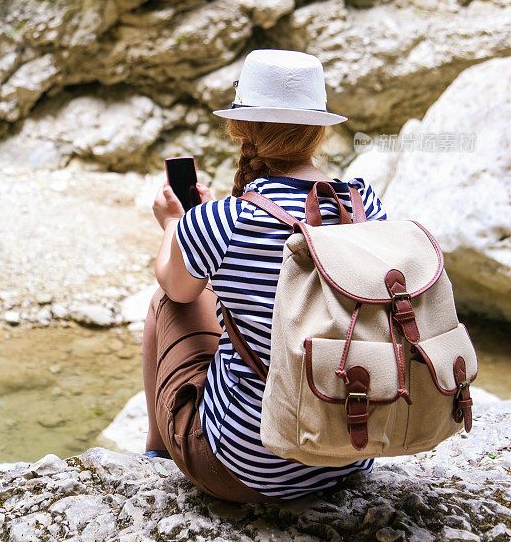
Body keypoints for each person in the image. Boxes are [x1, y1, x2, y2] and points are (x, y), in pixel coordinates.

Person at [142, 49, 387, 502]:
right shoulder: (362, 205)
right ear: (319, 130)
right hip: (349, 452)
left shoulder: (221, 219)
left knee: (167, 303)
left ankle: (159, 449)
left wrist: (178, 226)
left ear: (240, 128)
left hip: (247, 470)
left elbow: (174, 285)